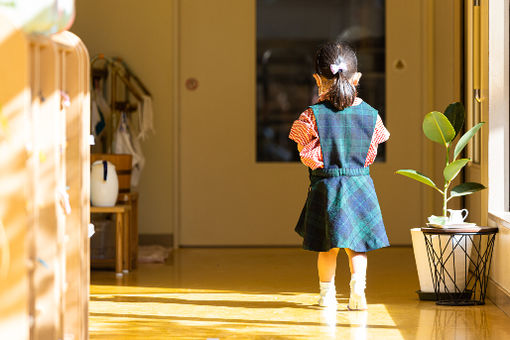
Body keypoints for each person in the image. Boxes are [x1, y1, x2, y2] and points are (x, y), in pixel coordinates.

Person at [288, 41, 390, 310]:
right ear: (357, 79)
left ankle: (326, 296)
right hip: (360, 185)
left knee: (327, 247)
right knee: (357, 247)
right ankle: (358, 295)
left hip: (327, 187)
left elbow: (306, 155)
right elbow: (371, 152)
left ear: (317, 79)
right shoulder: (372, 115)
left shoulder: (311, 116)